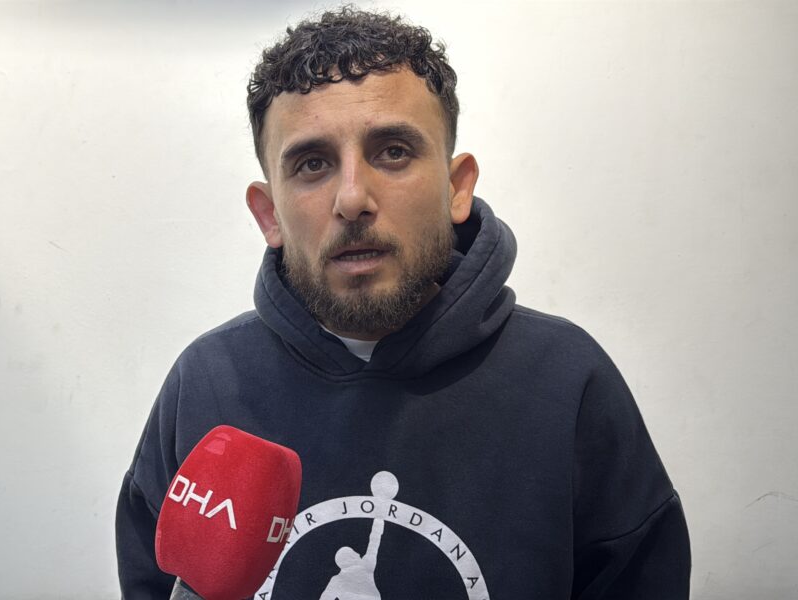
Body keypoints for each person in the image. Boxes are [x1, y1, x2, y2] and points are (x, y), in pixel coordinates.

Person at [116, 7, 690, 599]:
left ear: (456, 187)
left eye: (392, 152)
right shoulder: (206, 385)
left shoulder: (569, 382)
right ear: (269, 214)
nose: (352, 198)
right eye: (312, 164)